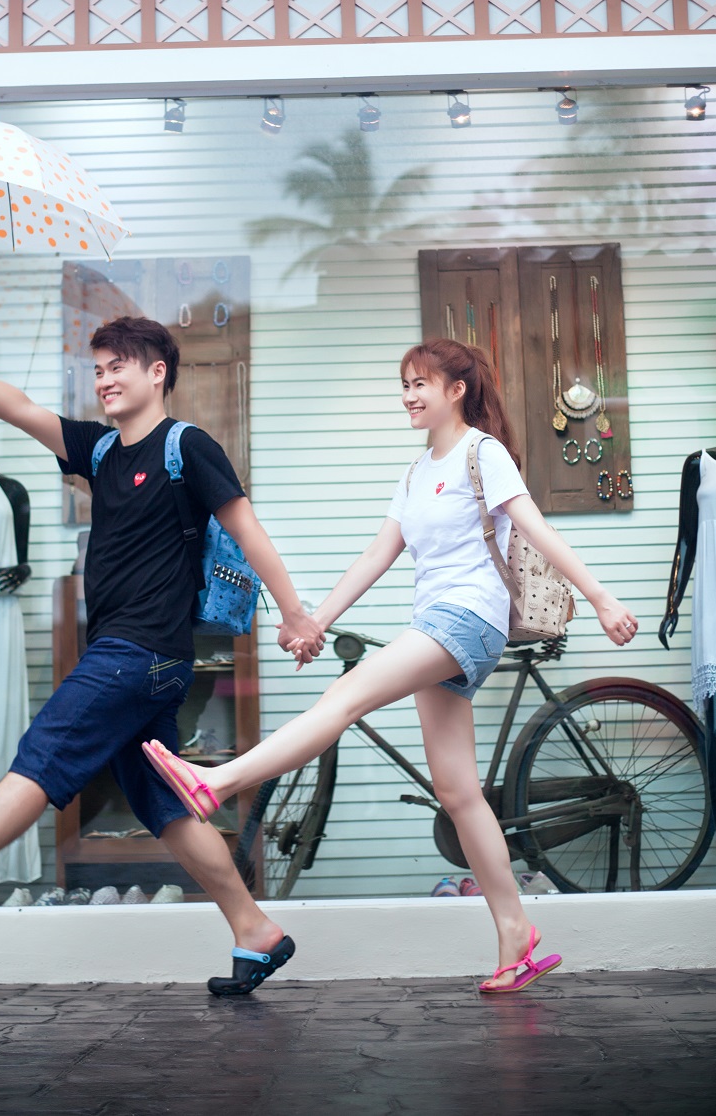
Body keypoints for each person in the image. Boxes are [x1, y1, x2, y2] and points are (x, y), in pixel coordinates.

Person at [0, 314, 324, 998]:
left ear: (157, 372)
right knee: (166, 806)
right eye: (97, 369)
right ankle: (255, 928)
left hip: (138, 651)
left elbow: (246, 529)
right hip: (141, 658)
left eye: (117, 366)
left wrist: (294, 613)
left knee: (46, 750)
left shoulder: (186, 446)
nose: (103, 379)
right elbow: (20, 410)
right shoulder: (99, 452)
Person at [145, 338, 638, 993]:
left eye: (420, 384)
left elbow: (535, 527)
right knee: (459, 793)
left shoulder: (482, 453)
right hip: (439, 622)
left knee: (344, 699)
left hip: (467, 617)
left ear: (456, 390)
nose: (408, 396)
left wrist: (600, 596)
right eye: (404, 384)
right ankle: (515, 933)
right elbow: (376, 557)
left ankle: (220, 781)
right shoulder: (416, 473)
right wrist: (314, 621)